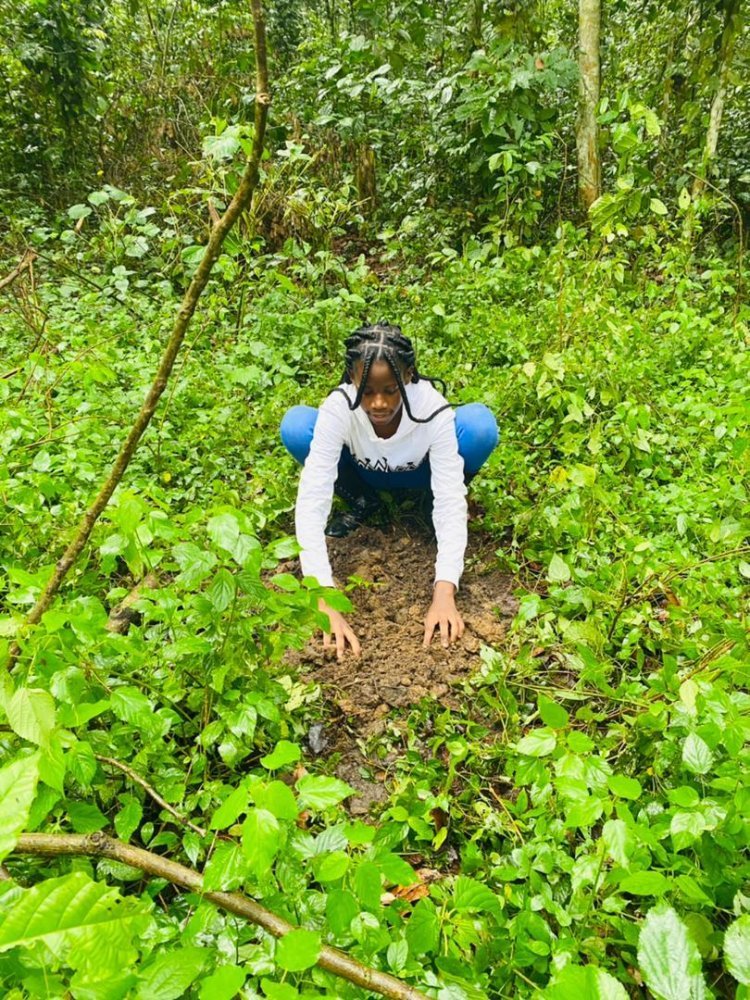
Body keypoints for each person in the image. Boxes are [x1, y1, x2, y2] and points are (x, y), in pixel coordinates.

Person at [280, 323, 498, 659]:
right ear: (351, 380)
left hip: (419, 474)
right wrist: (322, 594)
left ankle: (424, 503)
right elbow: (312, 500)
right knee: (297, 426)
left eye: (390, 390)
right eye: (366, 391)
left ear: (408, 377)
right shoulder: (338, 408)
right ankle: (360, 500)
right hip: (363, 472)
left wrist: (445, 590)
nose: (378, 402)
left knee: (479, 426)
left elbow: (452, 502)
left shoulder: (432, 408)